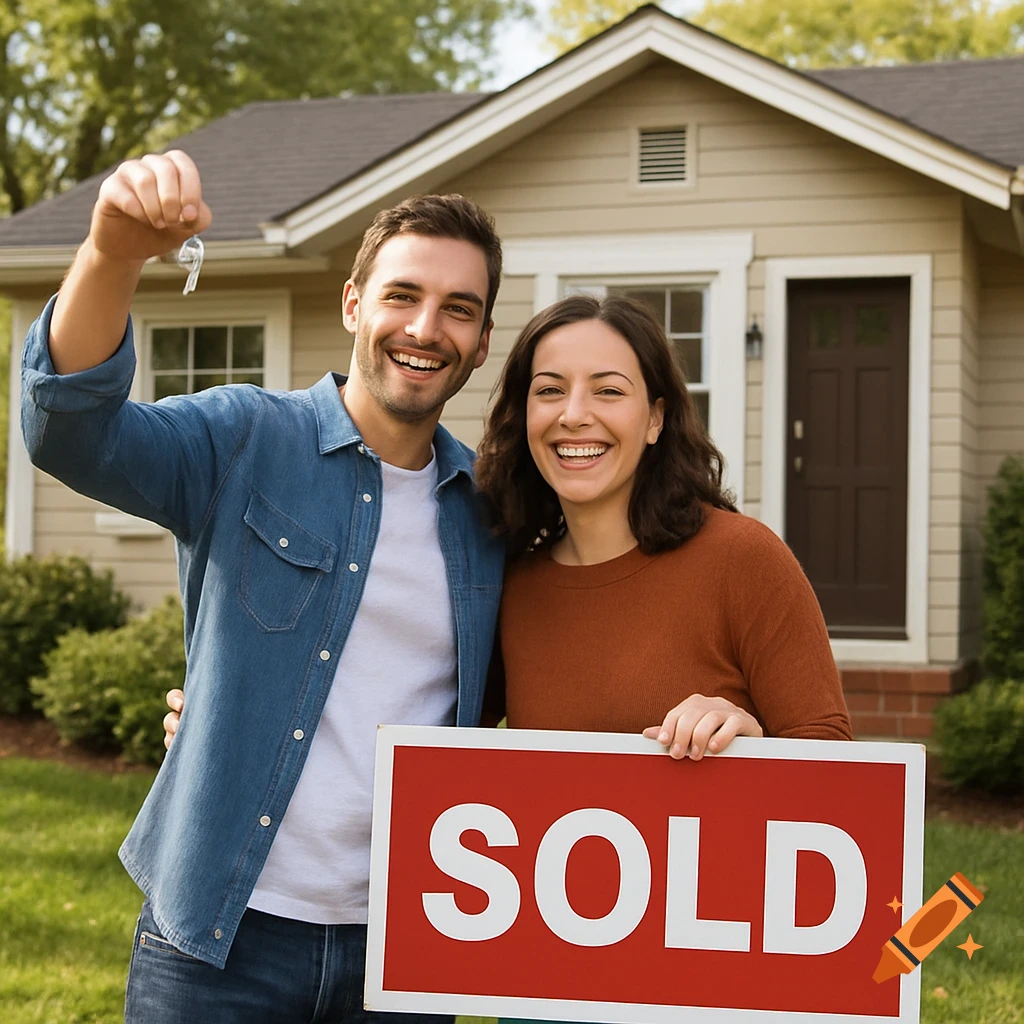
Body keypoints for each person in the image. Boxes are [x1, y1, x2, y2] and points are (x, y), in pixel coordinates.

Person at [21, 149, 506, 1023]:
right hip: (219, 938)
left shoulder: (493, 515)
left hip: (403, 950)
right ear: (354, 304)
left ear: (482, 340)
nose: (426, 327)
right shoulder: (244, 437)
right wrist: (113, 252)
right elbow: (71, 432)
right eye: (403, 295)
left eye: (458, 310)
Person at [474, 294, 852, 748]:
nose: (573, 415)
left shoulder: (744, 560)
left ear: (655, 418)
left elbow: (830, 758)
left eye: (609, 390)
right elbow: (443, 743)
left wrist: (753, 738)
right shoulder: (511, 585)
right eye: (550, 390)